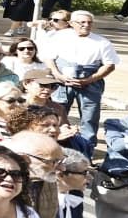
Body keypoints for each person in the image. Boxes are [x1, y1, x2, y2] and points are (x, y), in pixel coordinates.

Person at [45, 9, 120, 144]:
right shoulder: (59, 37)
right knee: (56, 115)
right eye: (82, 22)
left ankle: (87, 149)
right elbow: (49, 58)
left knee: (89, 118)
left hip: (90, 83)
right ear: (72, 23)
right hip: (62, 82)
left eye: (89, 22)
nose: (86, 25)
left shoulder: (102, 42)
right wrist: (57, 75)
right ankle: (55, 146)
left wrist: (89, 80)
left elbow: (109, 65)